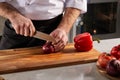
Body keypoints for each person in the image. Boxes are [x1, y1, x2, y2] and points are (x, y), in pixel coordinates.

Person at [0, 0, 87, 52]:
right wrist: (14, 16)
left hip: (54, 33)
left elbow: (77, 1)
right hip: (16, 29)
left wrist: (63, 29)